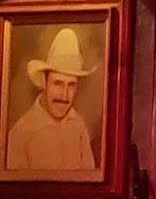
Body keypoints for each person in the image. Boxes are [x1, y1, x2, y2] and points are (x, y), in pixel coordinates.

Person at [7, 26, 97, 171]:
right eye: (58, 84)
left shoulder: (79, 127)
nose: (64, 95)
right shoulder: (20, 135)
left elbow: (90, 180)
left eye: (71, 85)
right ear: (44, 82)